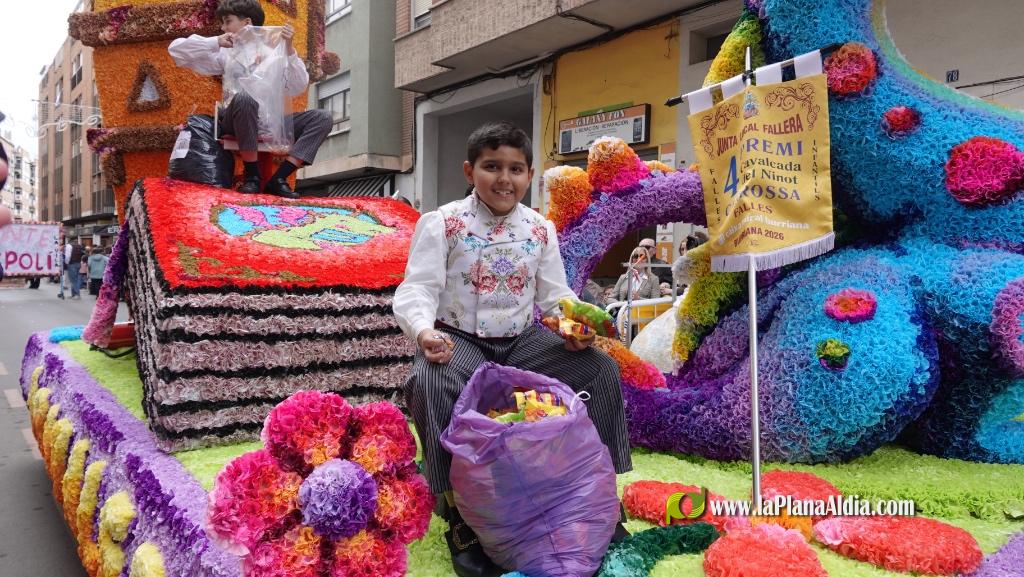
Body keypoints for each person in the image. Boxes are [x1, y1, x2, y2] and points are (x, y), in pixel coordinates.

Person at [393, 121, 632, 577]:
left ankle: (599, 491)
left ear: (529, 174)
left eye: (516, 169)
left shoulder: (541, 229)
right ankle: (456, 509)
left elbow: (554, 297)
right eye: (492, 167)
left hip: (524, 341)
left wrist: (574, 326)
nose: (504, 179)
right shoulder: (442, 223)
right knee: (427, 379)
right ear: (470, 171)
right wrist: (424, 332)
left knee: (598, 369)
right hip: (459, 339)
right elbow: (417, 290)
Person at [168, 0, 332, 198]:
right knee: (245, 99)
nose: (223, 27)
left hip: (272, 121)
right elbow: (176, 50)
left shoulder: (276, 51)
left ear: (247, 22)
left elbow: (298, 86)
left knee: (323, 117)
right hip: (235, 119)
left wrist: (288, 49)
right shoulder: (226, 51)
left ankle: (279, 178)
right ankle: (252, 176)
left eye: (227, 21)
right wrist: (215, 41)